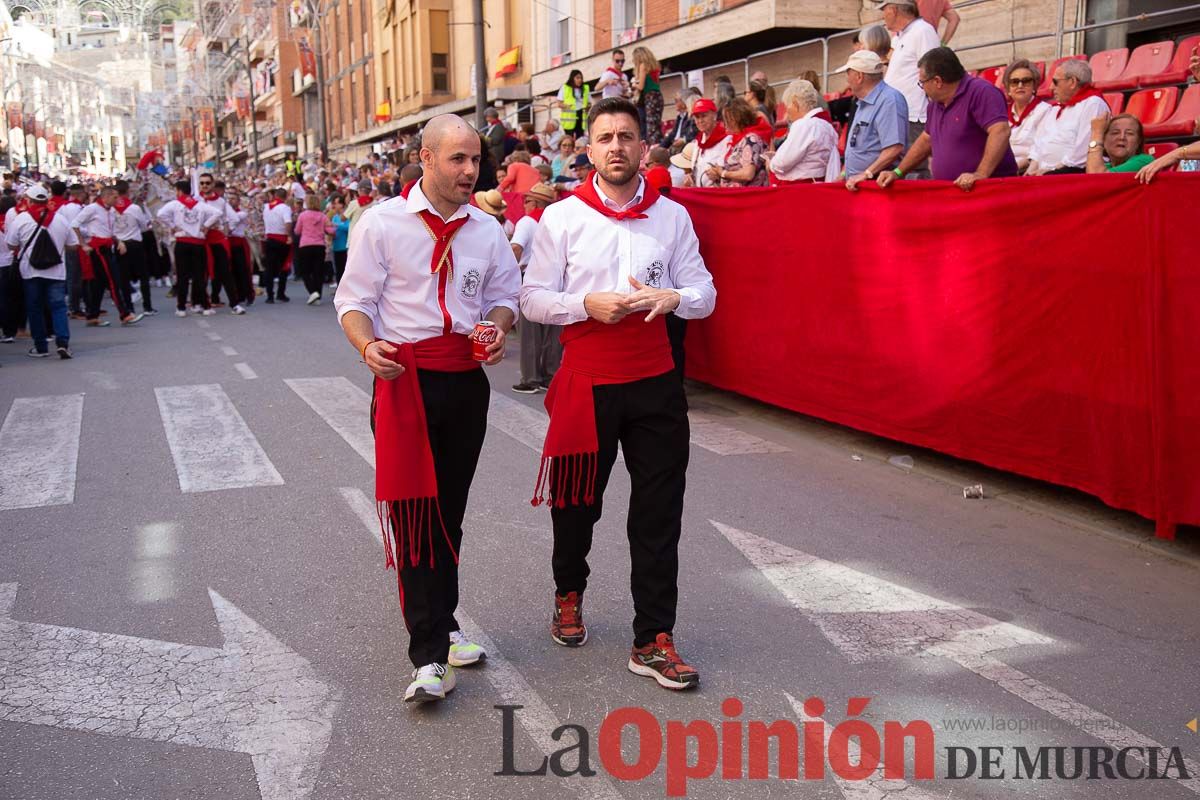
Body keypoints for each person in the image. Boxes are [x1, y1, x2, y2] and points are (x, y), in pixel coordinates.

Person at [521, 96, 716, 690]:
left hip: (656, 378)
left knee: (658, 514)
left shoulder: (672, 216)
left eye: (626, 136)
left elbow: (705, 291)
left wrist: (674, 299)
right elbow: (532, 299)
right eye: (604, 137)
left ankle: (652, 637)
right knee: (577, 504)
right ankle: (568, 591)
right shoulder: (562, 218)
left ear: (642, 145)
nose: (615, 146)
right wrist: (586, 303)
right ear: (588, 149)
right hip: (587, 377)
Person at [334, 114, 520, 704]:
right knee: (417, 514)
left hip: (465, 383)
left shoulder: (487, 230)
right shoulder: (382, 224)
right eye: (458, 160)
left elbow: (504, 296)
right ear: (427, 157)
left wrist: (495, 328)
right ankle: (429, 655)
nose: (471, 171)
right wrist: (369, 346)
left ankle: (445, 620)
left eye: (476, 160)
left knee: (451, 511)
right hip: (405, 380)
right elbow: (353, 300)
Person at [877, 47, 1016, 191]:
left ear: (937, 81)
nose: (922, 88)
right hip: (954, 193)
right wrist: (898, 172)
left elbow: (1000, 131)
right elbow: (926, 140)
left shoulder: (982, 92)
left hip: (988, 191)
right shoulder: (934, 105)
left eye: (922, 83)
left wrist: (981, 173)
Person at [5, 185, 76, 359]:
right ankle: (62, 343)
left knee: (34, 308)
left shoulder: (21, 219)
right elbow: (73, 245)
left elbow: (11, 244)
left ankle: (41, 347)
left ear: (29, 201)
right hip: (56, 271)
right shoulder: (60, 219)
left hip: (30, 271)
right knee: (58, 307)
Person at [878, 0, 940, 179]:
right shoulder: (901, 37)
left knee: (915, 169)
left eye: (884, 10)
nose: (883, 16)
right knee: (902, 170)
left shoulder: (923, 31)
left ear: (893, 9)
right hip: (900, 116)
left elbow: (933, 70)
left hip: (915, 116)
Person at [509, 182, 561, 394]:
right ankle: (550, 375)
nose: (525, 204)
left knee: (530, 333)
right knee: (553, 331)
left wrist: (508, 275)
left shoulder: (527, 222)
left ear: (536, 202)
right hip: (557, 280)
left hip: (530, 277)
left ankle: (531, 378)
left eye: (527, 200)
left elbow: (516, 248)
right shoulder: (557, 222)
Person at [837, 51, 908, 191]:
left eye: (848, 73)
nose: (847, 80)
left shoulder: (889, 100)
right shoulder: (862, 101)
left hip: (877, 188)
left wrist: (866, 173)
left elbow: (894, 148)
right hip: (860, 186)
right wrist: (845, 174)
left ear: (859, 76)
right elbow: (856, 146)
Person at [74, 185, 143, 326]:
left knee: (98, 284)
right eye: (114, 197)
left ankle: (92, 315)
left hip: (108, 246)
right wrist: (83, 244)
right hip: (98, 248)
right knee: (113, 281)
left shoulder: (111, 211)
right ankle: (124, 314)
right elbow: (75, 224)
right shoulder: (92, 209)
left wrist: (119, 241)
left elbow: (110, 231)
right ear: (105, 196)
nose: (117, 200)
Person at [1026, 59, 1109, 175]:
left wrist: (1051, 171)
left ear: (1072, 82)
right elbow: (1040, 143)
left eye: (1055, 82)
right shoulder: (1055, 109)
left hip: (1070, 173)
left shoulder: (1093, 104)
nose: (1050, 87)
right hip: (1044, 173)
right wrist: (1031, 170)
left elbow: (1082, 154)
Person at [157, 179, 222, 317]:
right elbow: (218, 213)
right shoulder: (200, 205)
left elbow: (160, 214)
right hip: (197, 243)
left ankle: (181, 308)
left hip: (182, 242)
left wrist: (172, 226)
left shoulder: (174, 204)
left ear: (179, 191)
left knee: (182, 276)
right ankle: (205, 306)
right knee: (199, 276)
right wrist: (206, 226)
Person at [767, 78, 841, 183]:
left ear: (795, 104)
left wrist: (771, 163)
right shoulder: (826, 126)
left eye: (788, 106)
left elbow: (782, 162)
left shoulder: (803, 125)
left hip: (800, 188)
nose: (787, 112)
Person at [112, 180, 156, 316]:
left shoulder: (111, 209)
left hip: (119, 244)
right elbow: (143, 226)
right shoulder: (134, 208)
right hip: (135, 243)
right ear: (127, 192)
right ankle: (147, 307)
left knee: (124, 278)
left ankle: (129, 307)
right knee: (143, 276)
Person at [707, 97, 771, 187]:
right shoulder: (740, 139)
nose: (725, 124)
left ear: (736, 119)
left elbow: (748, 174)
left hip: (746, 196)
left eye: (727, 119)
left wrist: (723, 173)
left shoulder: (751, 139)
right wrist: (718, 173)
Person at [1003, 59, 1053, 174]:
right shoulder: (1002, 112)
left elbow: (1040, 148)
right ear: (1008, 89)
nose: (1020, 85)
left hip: (1026, 169)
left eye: (1026, 81)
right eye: (1015, 82)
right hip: (1003, 168)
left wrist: (1012, 168)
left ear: (1034, 86)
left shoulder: (1045, 110)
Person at [294, 194, 335, 305]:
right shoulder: (323, 216)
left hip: (305, 245)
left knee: (305, 271)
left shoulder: (302, 215)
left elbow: (297, 231)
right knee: (318, 271)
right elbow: (330, 231)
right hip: (319, 245)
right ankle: (318, 295)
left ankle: (312, 292)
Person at [1084, 114, 1153, 174]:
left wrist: (1097, 132)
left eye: (1129, 133)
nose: (1122, 137)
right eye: (1115, 133)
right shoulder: (1106, 166)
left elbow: (1096, 178)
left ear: (1139, 141)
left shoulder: (1144, 161)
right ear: (1104, 140)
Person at [261, 187, 294, 303]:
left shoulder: (266, 207)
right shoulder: (285, 208)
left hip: (269, 238)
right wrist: (289, 236)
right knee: (283, 268)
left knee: (269, 268)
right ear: (285, 197)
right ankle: (281, 293)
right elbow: (288, 222)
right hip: (281, 239)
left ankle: (270, 295)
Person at [690, 98, 731, 187]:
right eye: (697, 117)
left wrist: (719, 174)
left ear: (714, 116)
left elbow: (730, 168)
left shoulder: (726, 138)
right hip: (700, 192)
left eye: (704, 116)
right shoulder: (699, 140)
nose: (700, 121)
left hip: (717, 193)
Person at [226, 187, 255, 306]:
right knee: (231, 271)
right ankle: (237, 295)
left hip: (239, 243)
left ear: (238, 202)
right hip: (229, 243)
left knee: (243, 270)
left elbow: (235, 220)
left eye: (233, 199)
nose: (230, 201)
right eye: (229, 199)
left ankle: (248, 294)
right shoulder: (226, 214)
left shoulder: (242, 213)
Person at [631, 46, 664, 145]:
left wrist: (633, 84)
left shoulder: (642, 65)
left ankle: (652, 148)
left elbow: (640, 86)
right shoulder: (654, 66)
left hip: (650, 97)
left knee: (650, 126)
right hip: (657, 96)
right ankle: (658, 146)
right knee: (656, 125)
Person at [557, 70, 592, 139]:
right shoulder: (565, 87)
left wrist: (587, 107)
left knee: (580, 138)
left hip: (581, 115)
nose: (580, 80)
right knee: (569, 138)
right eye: (577, 78)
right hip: (569, 118)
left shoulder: (585, 88)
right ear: (572, 78)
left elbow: (589, 103)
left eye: (581, 78)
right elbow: (559, 103)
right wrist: (567, 106)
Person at [328, 194, 350, 286]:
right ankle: (338, 288)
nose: (334, 206)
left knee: (344, 269)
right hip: (336, 246)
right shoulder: (335, 217)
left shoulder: (346, 216)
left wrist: (337, 225)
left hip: (344, 247)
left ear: (341, 205)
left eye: (336, 203)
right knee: (337, 270)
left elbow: (348, 227)